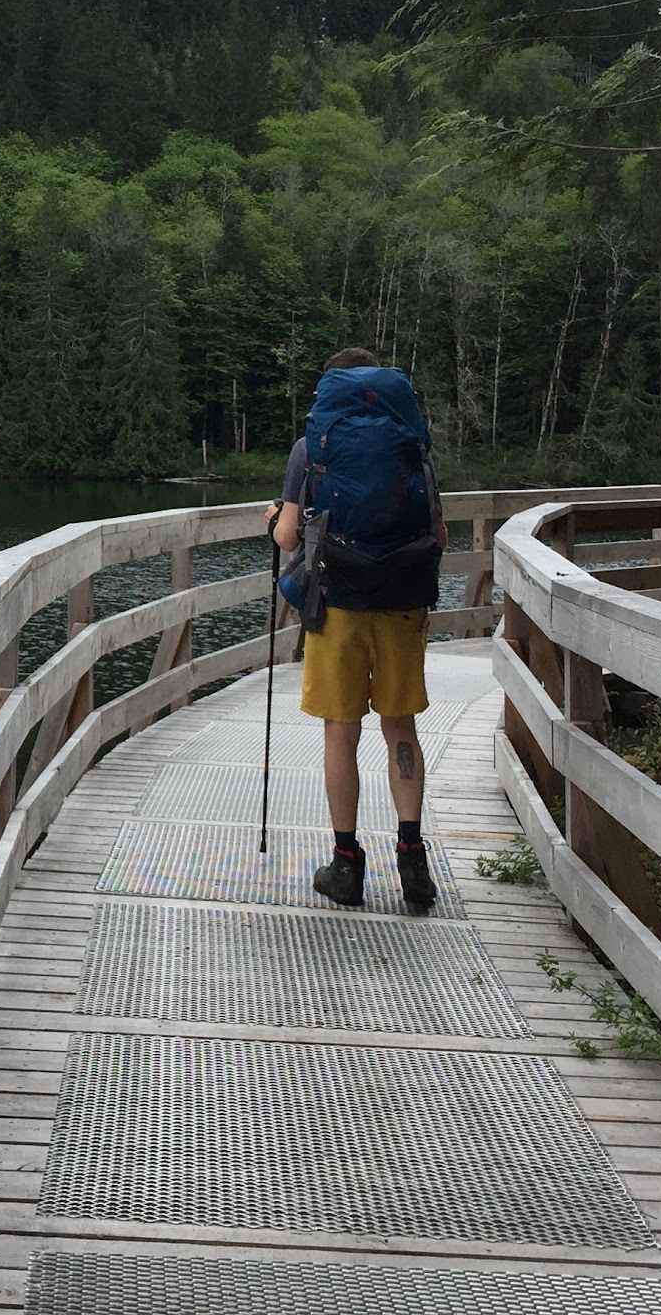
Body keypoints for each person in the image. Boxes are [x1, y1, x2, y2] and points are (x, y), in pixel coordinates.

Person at [265, 346, 440, 910]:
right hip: (403, 602)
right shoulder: (411, 441)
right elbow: (436, 529)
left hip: (337, 603)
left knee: (341, 732)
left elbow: (287, 538)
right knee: (400, 726)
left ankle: (346, 866)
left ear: (329, 389)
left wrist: (276, 519)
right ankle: (412, 858)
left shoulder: (310, 447)